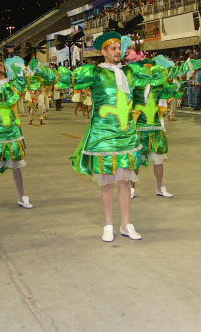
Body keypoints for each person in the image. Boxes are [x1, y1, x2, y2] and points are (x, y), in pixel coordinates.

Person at [57, 32, 154, 242]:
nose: (118, 51)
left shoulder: (130, 72)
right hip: (103, 136)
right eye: (113, 48)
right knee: (108, 184)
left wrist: (184, 68)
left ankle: (127, 224)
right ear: (103, 52)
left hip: (126, 134)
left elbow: (153, 77)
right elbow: (69, 79)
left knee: (126, 182)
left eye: (120, 48)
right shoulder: (95, 73)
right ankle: (108, 225)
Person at [0, 56, 55, 212]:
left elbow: (33, 84)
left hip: (12, 130)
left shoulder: (12, 84)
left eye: (0, 65)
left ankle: (22, 196)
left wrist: (27, 72)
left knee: (17, 165)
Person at [129, 55, 201, 200]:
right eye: (146, 69)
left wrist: (178, 86)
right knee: (136, 162)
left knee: (159, 161)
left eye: (151, 69)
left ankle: (160, 188)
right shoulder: (135, 88)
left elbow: (171, 88)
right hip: (139, 129)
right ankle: (131, 189)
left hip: (156, 129)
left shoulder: (159, 87)